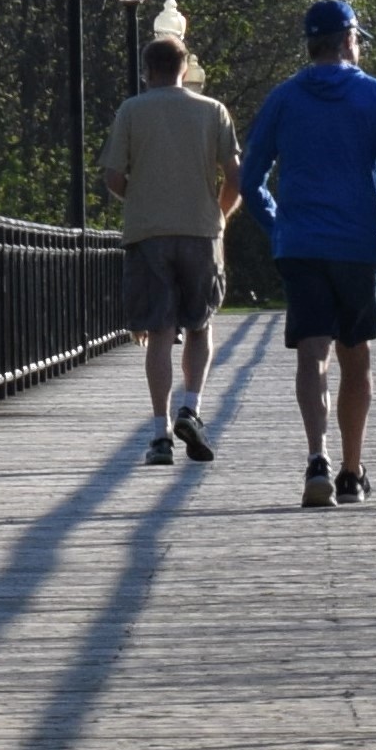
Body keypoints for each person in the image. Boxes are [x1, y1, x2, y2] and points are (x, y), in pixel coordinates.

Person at [234, 0, 376, 505]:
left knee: (312, 352)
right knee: (357, 357)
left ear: (312, 46)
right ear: (350, 41)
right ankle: (353, 472)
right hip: (360, 245)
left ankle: (318, 457)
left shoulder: (284, 98)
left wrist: (278, 226)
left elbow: (250, 178)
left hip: (302, 243)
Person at [97, 33, 237, 464]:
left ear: (146, 71)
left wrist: (139, 199)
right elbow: (236, 177)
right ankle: (190, 407)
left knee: (158, 334)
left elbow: (113, 176)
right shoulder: (212, 111)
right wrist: (219, 216)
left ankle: (159, 434)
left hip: (147, 233)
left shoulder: (132, 111)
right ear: (184, 68)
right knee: (200, 324)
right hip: (200, 230)